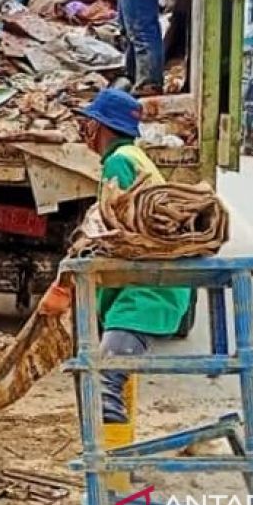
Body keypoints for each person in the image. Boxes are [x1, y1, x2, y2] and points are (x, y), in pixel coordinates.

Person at [76, 88, 189, 436]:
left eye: (89, 123)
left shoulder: (119, 161)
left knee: (105, 379)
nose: (85, 129)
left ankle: (112, 462)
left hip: (147, 285)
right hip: (150, 277)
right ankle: (115, 464)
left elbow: (121, 221)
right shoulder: (135, 156)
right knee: (109, 373)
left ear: (101, 126)